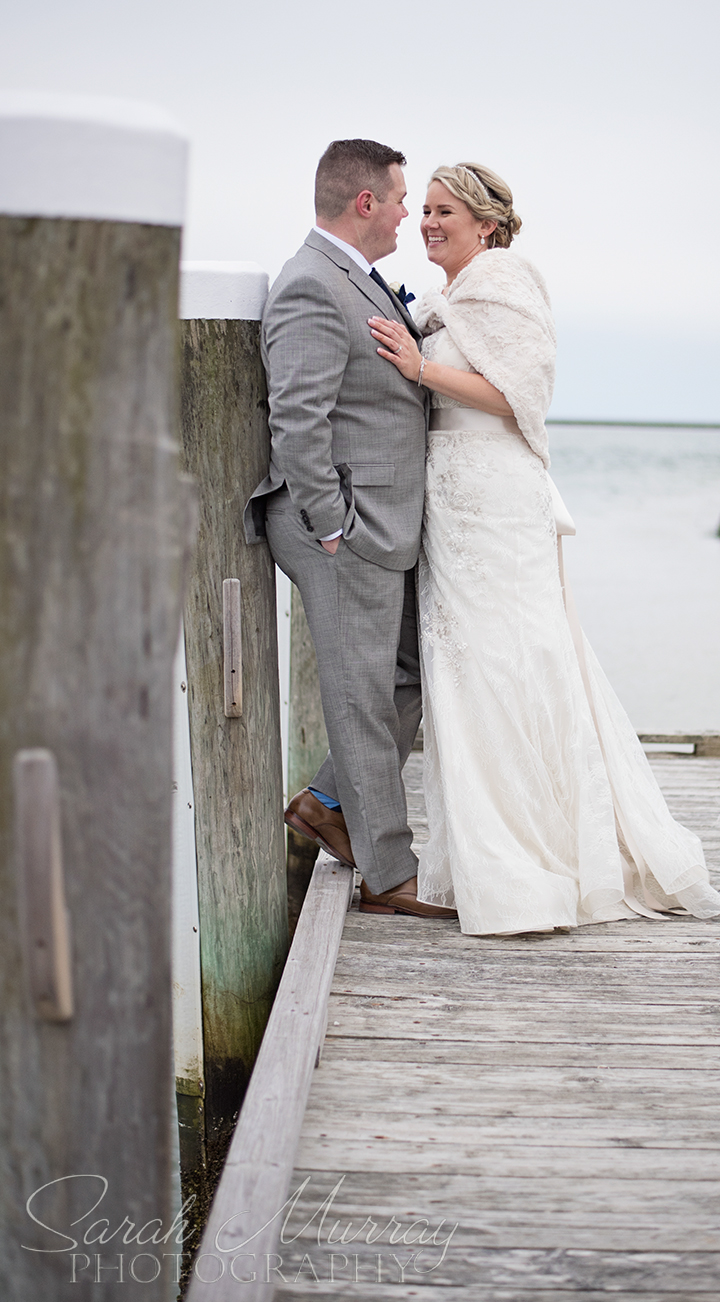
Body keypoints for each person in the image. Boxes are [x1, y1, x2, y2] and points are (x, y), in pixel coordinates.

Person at [368, 162, 720, 935]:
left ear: (487, 224)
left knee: (513, 661)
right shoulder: (454, 294)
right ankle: (485, 855)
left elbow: (520, 397)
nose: (428, 223)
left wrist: (420, 368)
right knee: (463, 674)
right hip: (454, 503)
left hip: (496, 500)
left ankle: (538, 859)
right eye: (424, 210)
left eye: (444, 212)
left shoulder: (506, 280)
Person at [245, 139, 456, 919]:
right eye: (401, 199)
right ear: (364, 202)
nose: (409, 213)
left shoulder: (355, 277)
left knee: (407, 677)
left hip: (378, 520)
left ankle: (326, 801)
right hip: (342, 524)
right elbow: (298, 419)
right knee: (364, 693)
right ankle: (387, 872)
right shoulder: (309, 284)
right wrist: (332, 525)